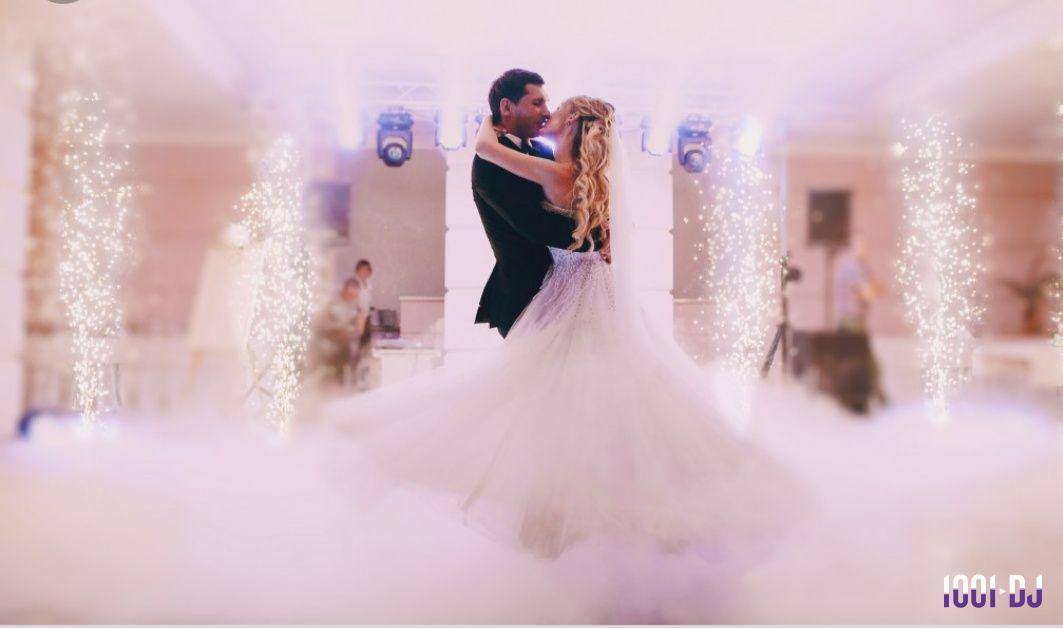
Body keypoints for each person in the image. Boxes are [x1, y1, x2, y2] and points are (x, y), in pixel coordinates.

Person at [324, 70, 812, 561]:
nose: (546, 110)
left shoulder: (550, 168)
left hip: (571, 293)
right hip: (580, 289)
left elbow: (494, 154)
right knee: (597, 399)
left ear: (573, 123)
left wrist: (485, 130)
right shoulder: (574, 172)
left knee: (561, 402)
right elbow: (534, 204)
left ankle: (565, 521)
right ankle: (604, 515)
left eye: (551, 106)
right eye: (538, 102)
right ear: (512, 106)